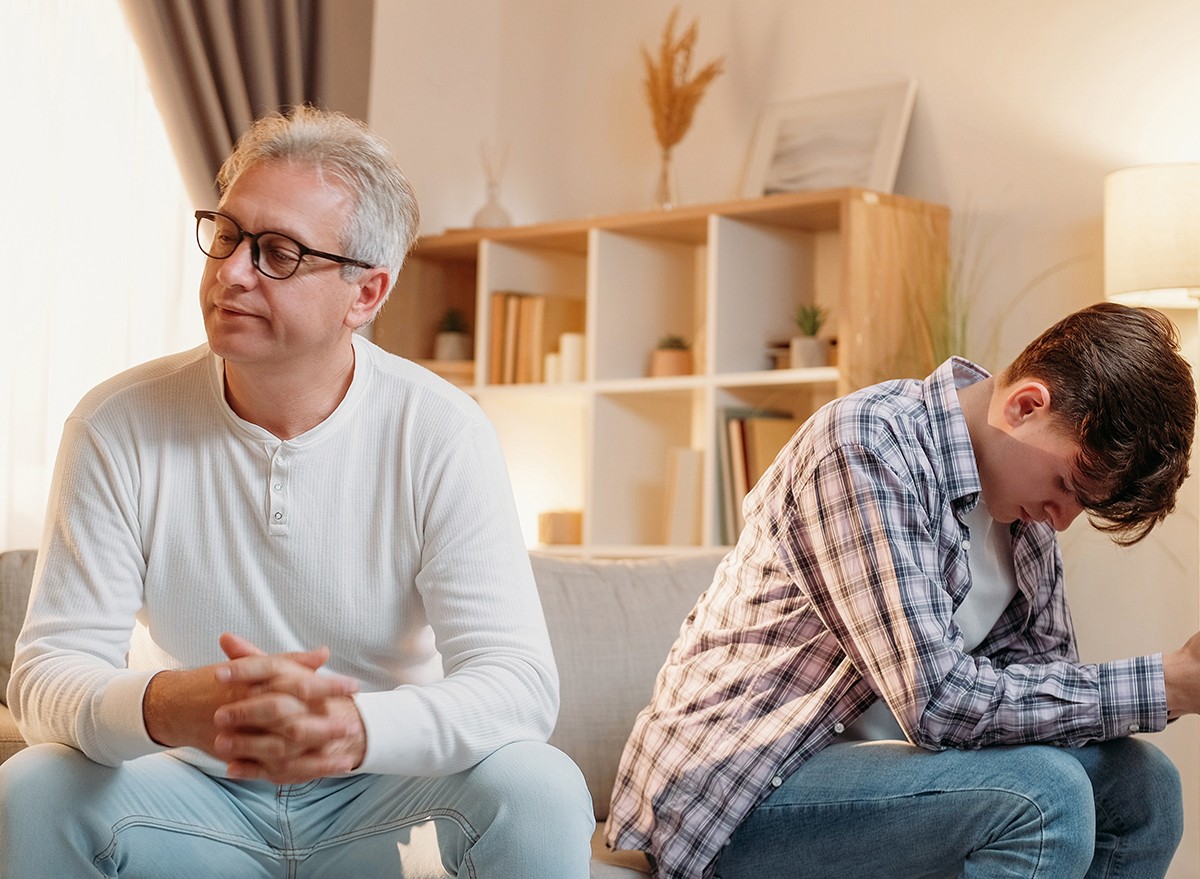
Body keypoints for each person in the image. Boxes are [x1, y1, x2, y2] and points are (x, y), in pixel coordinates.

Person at [0, 106, 593, 878]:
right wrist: (167, 705)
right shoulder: (117, 423)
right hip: (190, 799)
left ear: (365, 294)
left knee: (542, 787)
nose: (231, 272)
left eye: (277, 252)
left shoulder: (442, 430)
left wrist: (353, 728)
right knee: (32, 788)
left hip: (385, 797)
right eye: (227, 235)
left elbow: (517, 685)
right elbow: (46, 673)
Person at [607, 302, 1198, 879]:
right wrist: (1164, 682)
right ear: (1025, 405)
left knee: (1145, 787)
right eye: (1066, 484)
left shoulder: (1024, 515)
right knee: (1045, 794)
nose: (1062, 519)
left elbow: (1041, 695)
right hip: (743, 785)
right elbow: (938, 702)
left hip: (899, 778)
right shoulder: (867, 446)